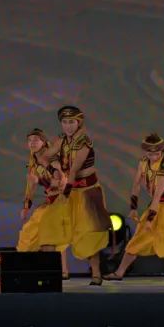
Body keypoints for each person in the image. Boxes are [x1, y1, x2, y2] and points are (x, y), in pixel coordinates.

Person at [103, 134, 164, 282]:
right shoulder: (143, 163)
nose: (153, 157)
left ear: (162, 151)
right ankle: (119, 272)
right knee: (138, 239)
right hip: (155, 205)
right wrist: (133, 208)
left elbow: (158, 196)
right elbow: (136, 185)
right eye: (150, 153)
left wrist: (150, 220)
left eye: (156, 153)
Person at [40, 106, 112, 286]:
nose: (68, 126)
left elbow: (73, 172)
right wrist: (54, 169)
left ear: (79, 122)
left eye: (71, 122)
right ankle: (50, 274)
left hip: (87, 193)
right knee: (49, 227)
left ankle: (96, 274)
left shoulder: (84, 142)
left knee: (89, 233)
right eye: (65, 122)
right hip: (69, 192)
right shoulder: (62, 139)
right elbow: (44, 157)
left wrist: (64, 192)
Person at [16, 128, 70, 279]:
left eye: (36, 140)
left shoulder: (52, 159)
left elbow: (62, 181)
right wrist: (26, 206)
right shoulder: (34, 161)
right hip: (51, 202)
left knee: (50, 235)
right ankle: (60, 270)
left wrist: (40, 180)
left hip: (61, 201)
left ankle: (59, 270)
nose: (32, 143)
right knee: (35, 233)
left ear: (43, 142)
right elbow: (30, 186)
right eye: (29, 140)